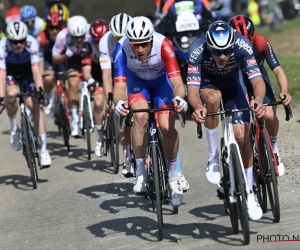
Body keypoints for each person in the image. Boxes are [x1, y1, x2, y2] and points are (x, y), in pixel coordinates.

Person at [187, 21, 266, 220]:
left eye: (227, 51)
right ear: (208, 46)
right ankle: (213, 155)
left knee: (242, 137)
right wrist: (198, 108)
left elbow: (257, 80)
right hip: (209, 84)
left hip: (233, 85)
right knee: (213, 99)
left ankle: (250, 193)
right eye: (216, 52)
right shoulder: (197, 49)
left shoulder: (242, 45)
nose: (222, 57)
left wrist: (257, 100)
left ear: (233, 45)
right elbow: (193, 91)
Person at [113, 16, 188, 207]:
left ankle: (173, 173)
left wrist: (179, 98)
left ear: (151, 40)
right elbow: (119, 87)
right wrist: (120, 103)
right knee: (139, 116)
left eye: (144, 44)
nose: (139, 49)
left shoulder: (164, 44)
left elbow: (178, 83)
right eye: (135, 44)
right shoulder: (121, 48)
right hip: (138, 83)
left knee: (166, 126)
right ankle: (140, 173)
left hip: (162, 83)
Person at [229, 15, 292, 176]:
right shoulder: (227, 49)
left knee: (269, 116)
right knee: (242, 127)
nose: (244, 43)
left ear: (253, 35)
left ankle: (274, 149)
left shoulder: (261, 41)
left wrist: (284, 91)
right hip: (239, 80)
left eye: (248, 39)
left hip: (258, 78)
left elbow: (277, 70)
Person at [0, 21, 51, 168]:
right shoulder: (2, 46)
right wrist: (1, 99)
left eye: (21, 41)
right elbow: (1, 75)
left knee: (33, 103)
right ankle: (14, 128)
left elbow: (36, 72)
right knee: (11, 94)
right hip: (10, 72)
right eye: (15, 42)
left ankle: (43, 149)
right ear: (9, 40)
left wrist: (40, 93)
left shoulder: (32, 43)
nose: (18, 45)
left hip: (28, 71)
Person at [99, 13, 135, 177]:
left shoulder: (136, 38)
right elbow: (107, 75)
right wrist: (111, 99)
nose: (119, 40)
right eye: (116, 37)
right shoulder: (105, 41)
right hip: (117, 71)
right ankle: (126, 156)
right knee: (120, 109)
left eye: (123, 37)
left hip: (133, 69)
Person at [52, 15, 89, 137]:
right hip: (72, 58)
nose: (79, 40)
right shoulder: (62, 36)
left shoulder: (90, 32)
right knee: (72, 83)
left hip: (88, 57)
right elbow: (55, 58)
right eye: (75, 37)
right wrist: (67, 55)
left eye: (81, 37)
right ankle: (75, 119)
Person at [81, 19, 109, 157]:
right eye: (95, 40)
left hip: (112, 71)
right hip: (97, 72)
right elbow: (86, 69)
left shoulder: (112, 42)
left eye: (101, 39)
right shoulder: (87, 45)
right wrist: (91, 80)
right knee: (98, 104)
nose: (98, 43)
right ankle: (99, 136)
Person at [37, 3, 69, 117]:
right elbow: (39, 59)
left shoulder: (66, 35)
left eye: (57, 28)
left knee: (68, 80)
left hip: (61, 59)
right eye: (51, 28)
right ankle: (49, 95)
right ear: (47, 27)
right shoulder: (41, 38)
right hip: (47, 60)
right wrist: (42, 73)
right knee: (49, 78)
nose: (54, 31)